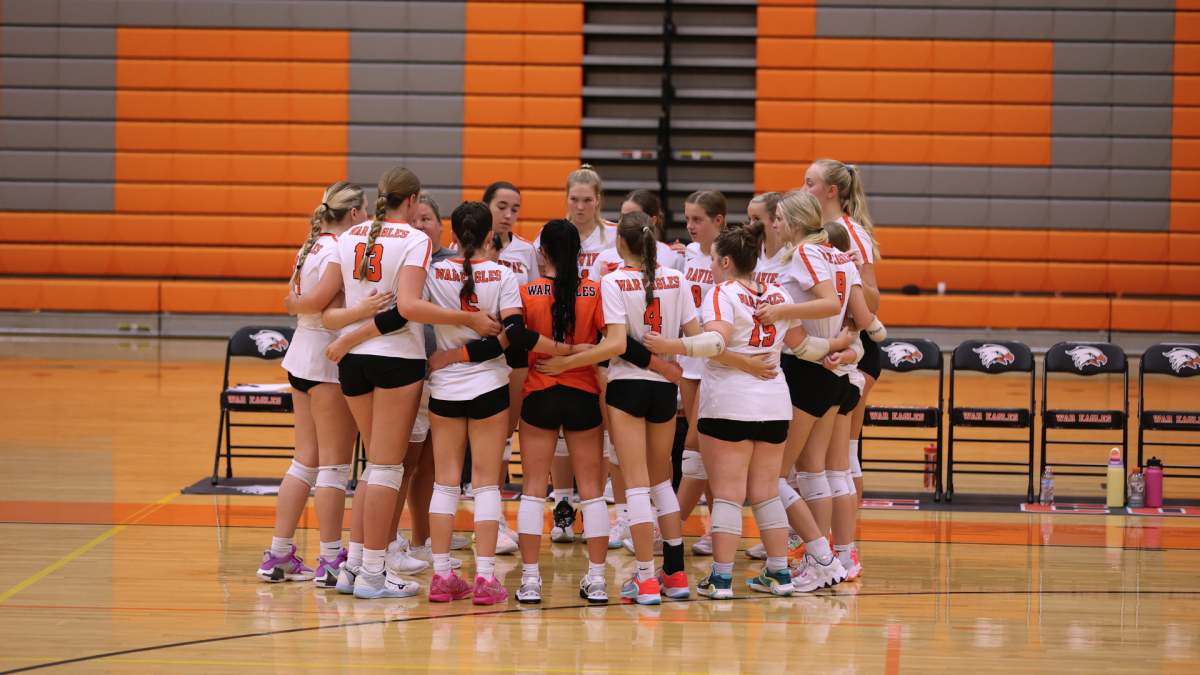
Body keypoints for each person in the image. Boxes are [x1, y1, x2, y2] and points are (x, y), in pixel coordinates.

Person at [285, 168, 500, 600]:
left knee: (372, 468)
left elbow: (325, 313)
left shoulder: (348, 237)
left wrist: (348, 334)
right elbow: (408, 307)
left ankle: (354, 566)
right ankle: (374, 574)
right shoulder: (416, 239)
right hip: (395, 360)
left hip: (352, 364)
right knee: (386, 467)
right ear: (414, 199)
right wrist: (469, 318)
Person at [644, 221, 844, 598]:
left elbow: (715, 344)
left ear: (723, 260)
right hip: (775, 404)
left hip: (730, 404)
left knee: (729, 496)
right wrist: (842, 344)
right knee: (767, 492)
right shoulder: (778, 294)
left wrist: (668, 342)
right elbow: (804, 349)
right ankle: (779, 574)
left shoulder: (722, 293)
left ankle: (720, 580)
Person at [536, 211, 696, 604]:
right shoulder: (678, 279)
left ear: (620, 244)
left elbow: (617, 345)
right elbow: (698, 337)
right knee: (662, 482)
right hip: (663, 391)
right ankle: (674, 575)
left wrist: (566, 362)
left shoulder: (611, 280)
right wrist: (669, 359)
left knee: (637, 485)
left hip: (627, 387)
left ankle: (644, 580)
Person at [751, 190, 884, 592]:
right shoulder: (839, 257)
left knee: (772, 476)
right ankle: (835, 557)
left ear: (791, 222)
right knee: (821, 473)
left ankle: (819, 557)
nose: (772, 226)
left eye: (776, 220)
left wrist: (780, 311)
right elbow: (865, 319)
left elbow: (827, 304)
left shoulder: (805, 254)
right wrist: (849, 347)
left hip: (807, 369)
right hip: (832, 371)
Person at [258, 182, 367, 586]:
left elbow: (296, 299)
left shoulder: (312, 244)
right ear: (353, 213)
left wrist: (293, 304)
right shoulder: (338, 248)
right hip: (326, 358)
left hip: (302, 355)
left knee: (304, 460)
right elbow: (320, 300)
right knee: (334, 466)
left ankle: (279, 555)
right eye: (366, 209)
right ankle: (331, 561)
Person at [803, 160, 882, 581]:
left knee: (842, 460)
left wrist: (849, 268)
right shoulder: (813, 234)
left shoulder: (853, 233)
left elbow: (874, 301)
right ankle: (816, 539)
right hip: (830, 349)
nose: (803, 187)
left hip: (853, 350)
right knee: (818, 461)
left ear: (831, 191)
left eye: (809, 182)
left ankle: (842, 548)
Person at [483, 182, 538, 511]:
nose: (508, 215)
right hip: (478, 346)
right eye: (501, 206)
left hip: (515, 346)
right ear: (486, 205)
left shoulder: (526, 250)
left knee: (506, 433)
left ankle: (498, 517)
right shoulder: (464, 245)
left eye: (515, 209)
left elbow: (532, 299)